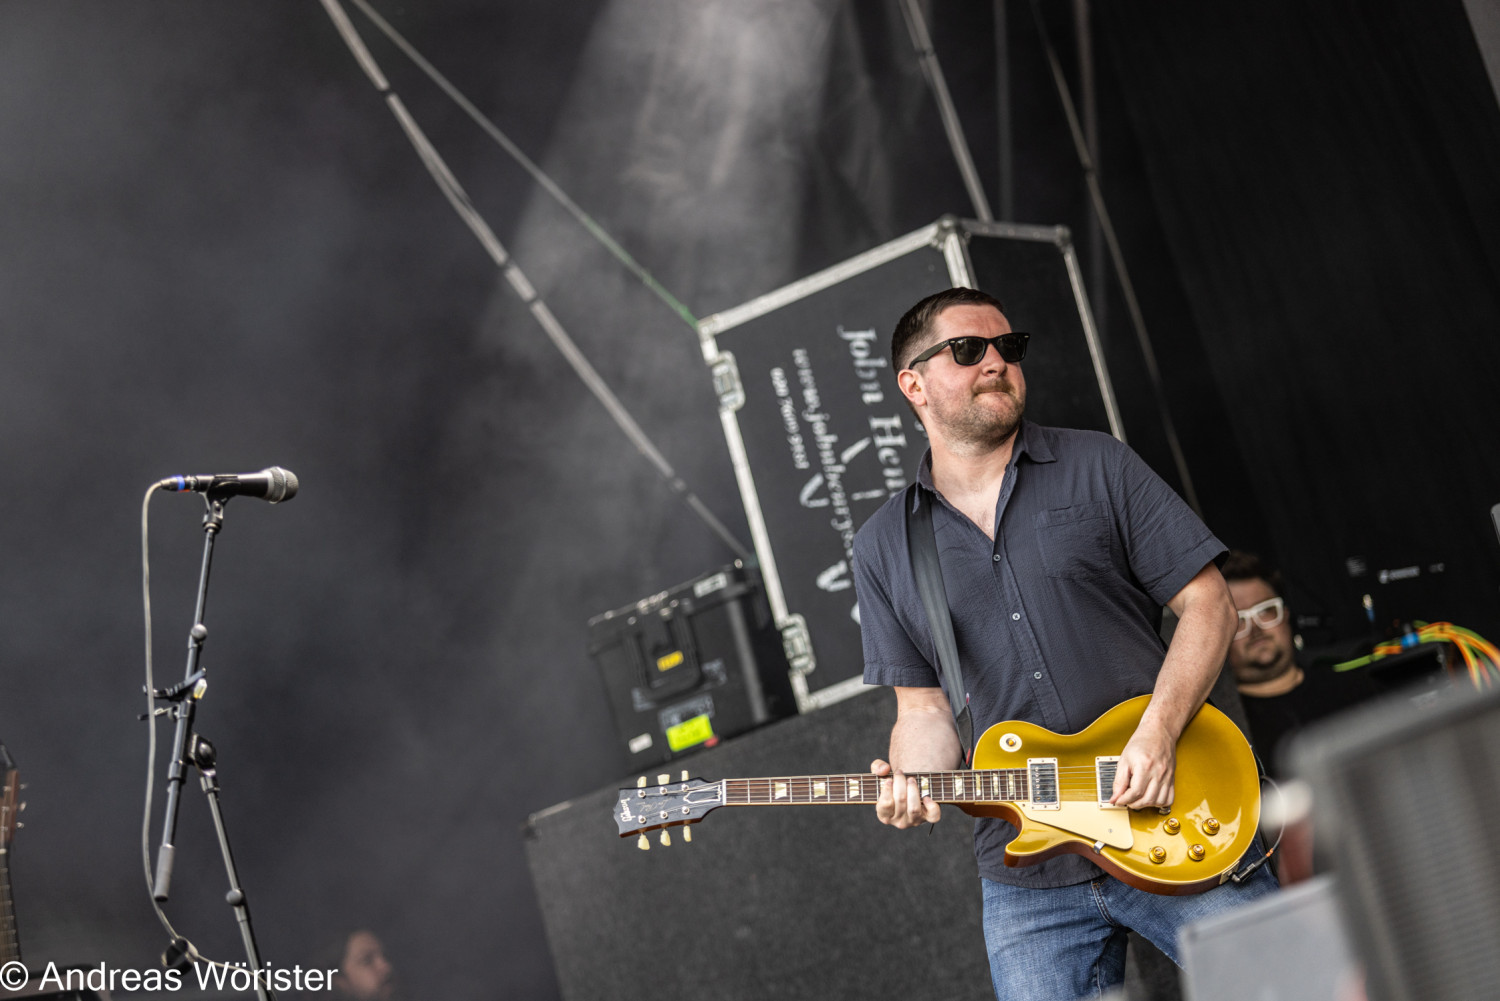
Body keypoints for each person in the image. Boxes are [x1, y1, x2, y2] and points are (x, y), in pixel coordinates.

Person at [851, 287, 1277, 1000]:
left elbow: (1208, 604)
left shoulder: (1098, 465)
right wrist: (910, 781)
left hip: (1170, 809)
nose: (995, 362)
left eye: (1008, 348)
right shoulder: (884, 545)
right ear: (913, 384)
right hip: (1028, 877)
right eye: (968, 350)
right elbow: (922, 711)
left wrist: (1160, 730)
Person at [1222, 551, 1382, 778]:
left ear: (1286, 615)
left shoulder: (1357, 690)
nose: (1256, 629)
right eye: (1238, 620)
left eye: (1266, 611)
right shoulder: (1225, 731)